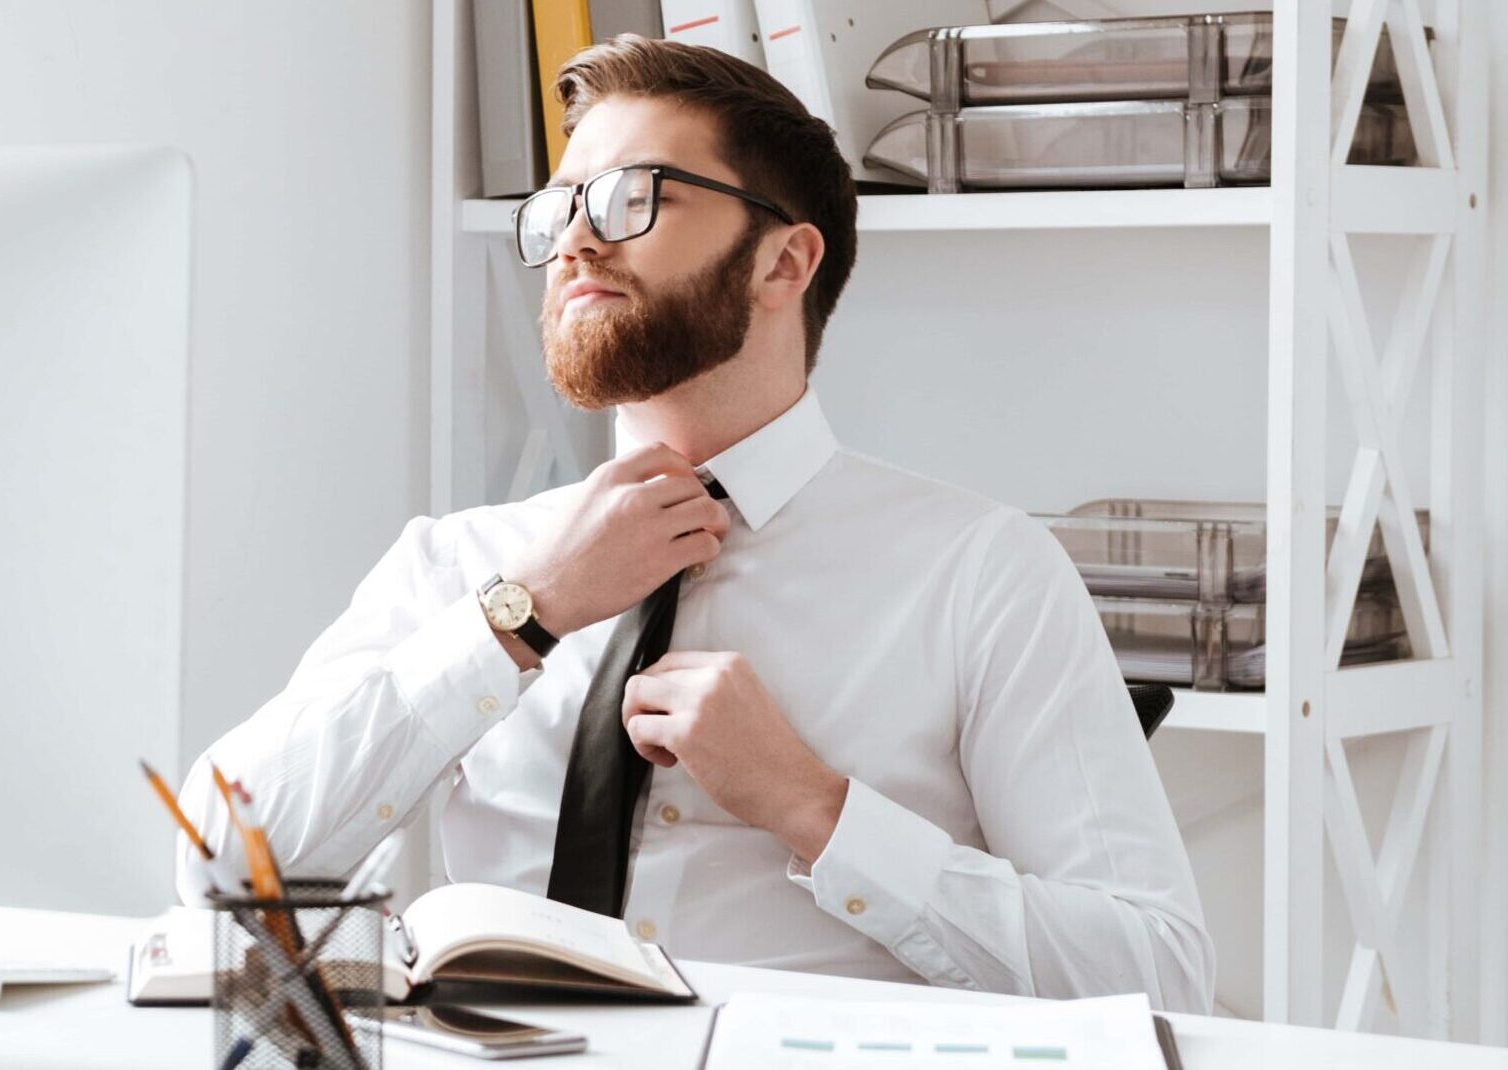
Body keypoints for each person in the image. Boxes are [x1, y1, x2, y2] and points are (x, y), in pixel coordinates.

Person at [178, 34, 1213, 1012]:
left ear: (784, 263)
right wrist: (519, 615)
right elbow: (220, 862)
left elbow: (1156, 974)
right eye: (560, 206)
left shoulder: (983, 573)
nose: (575, 239)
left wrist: (816, 806)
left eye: (633, 197)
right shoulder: (465, 563)